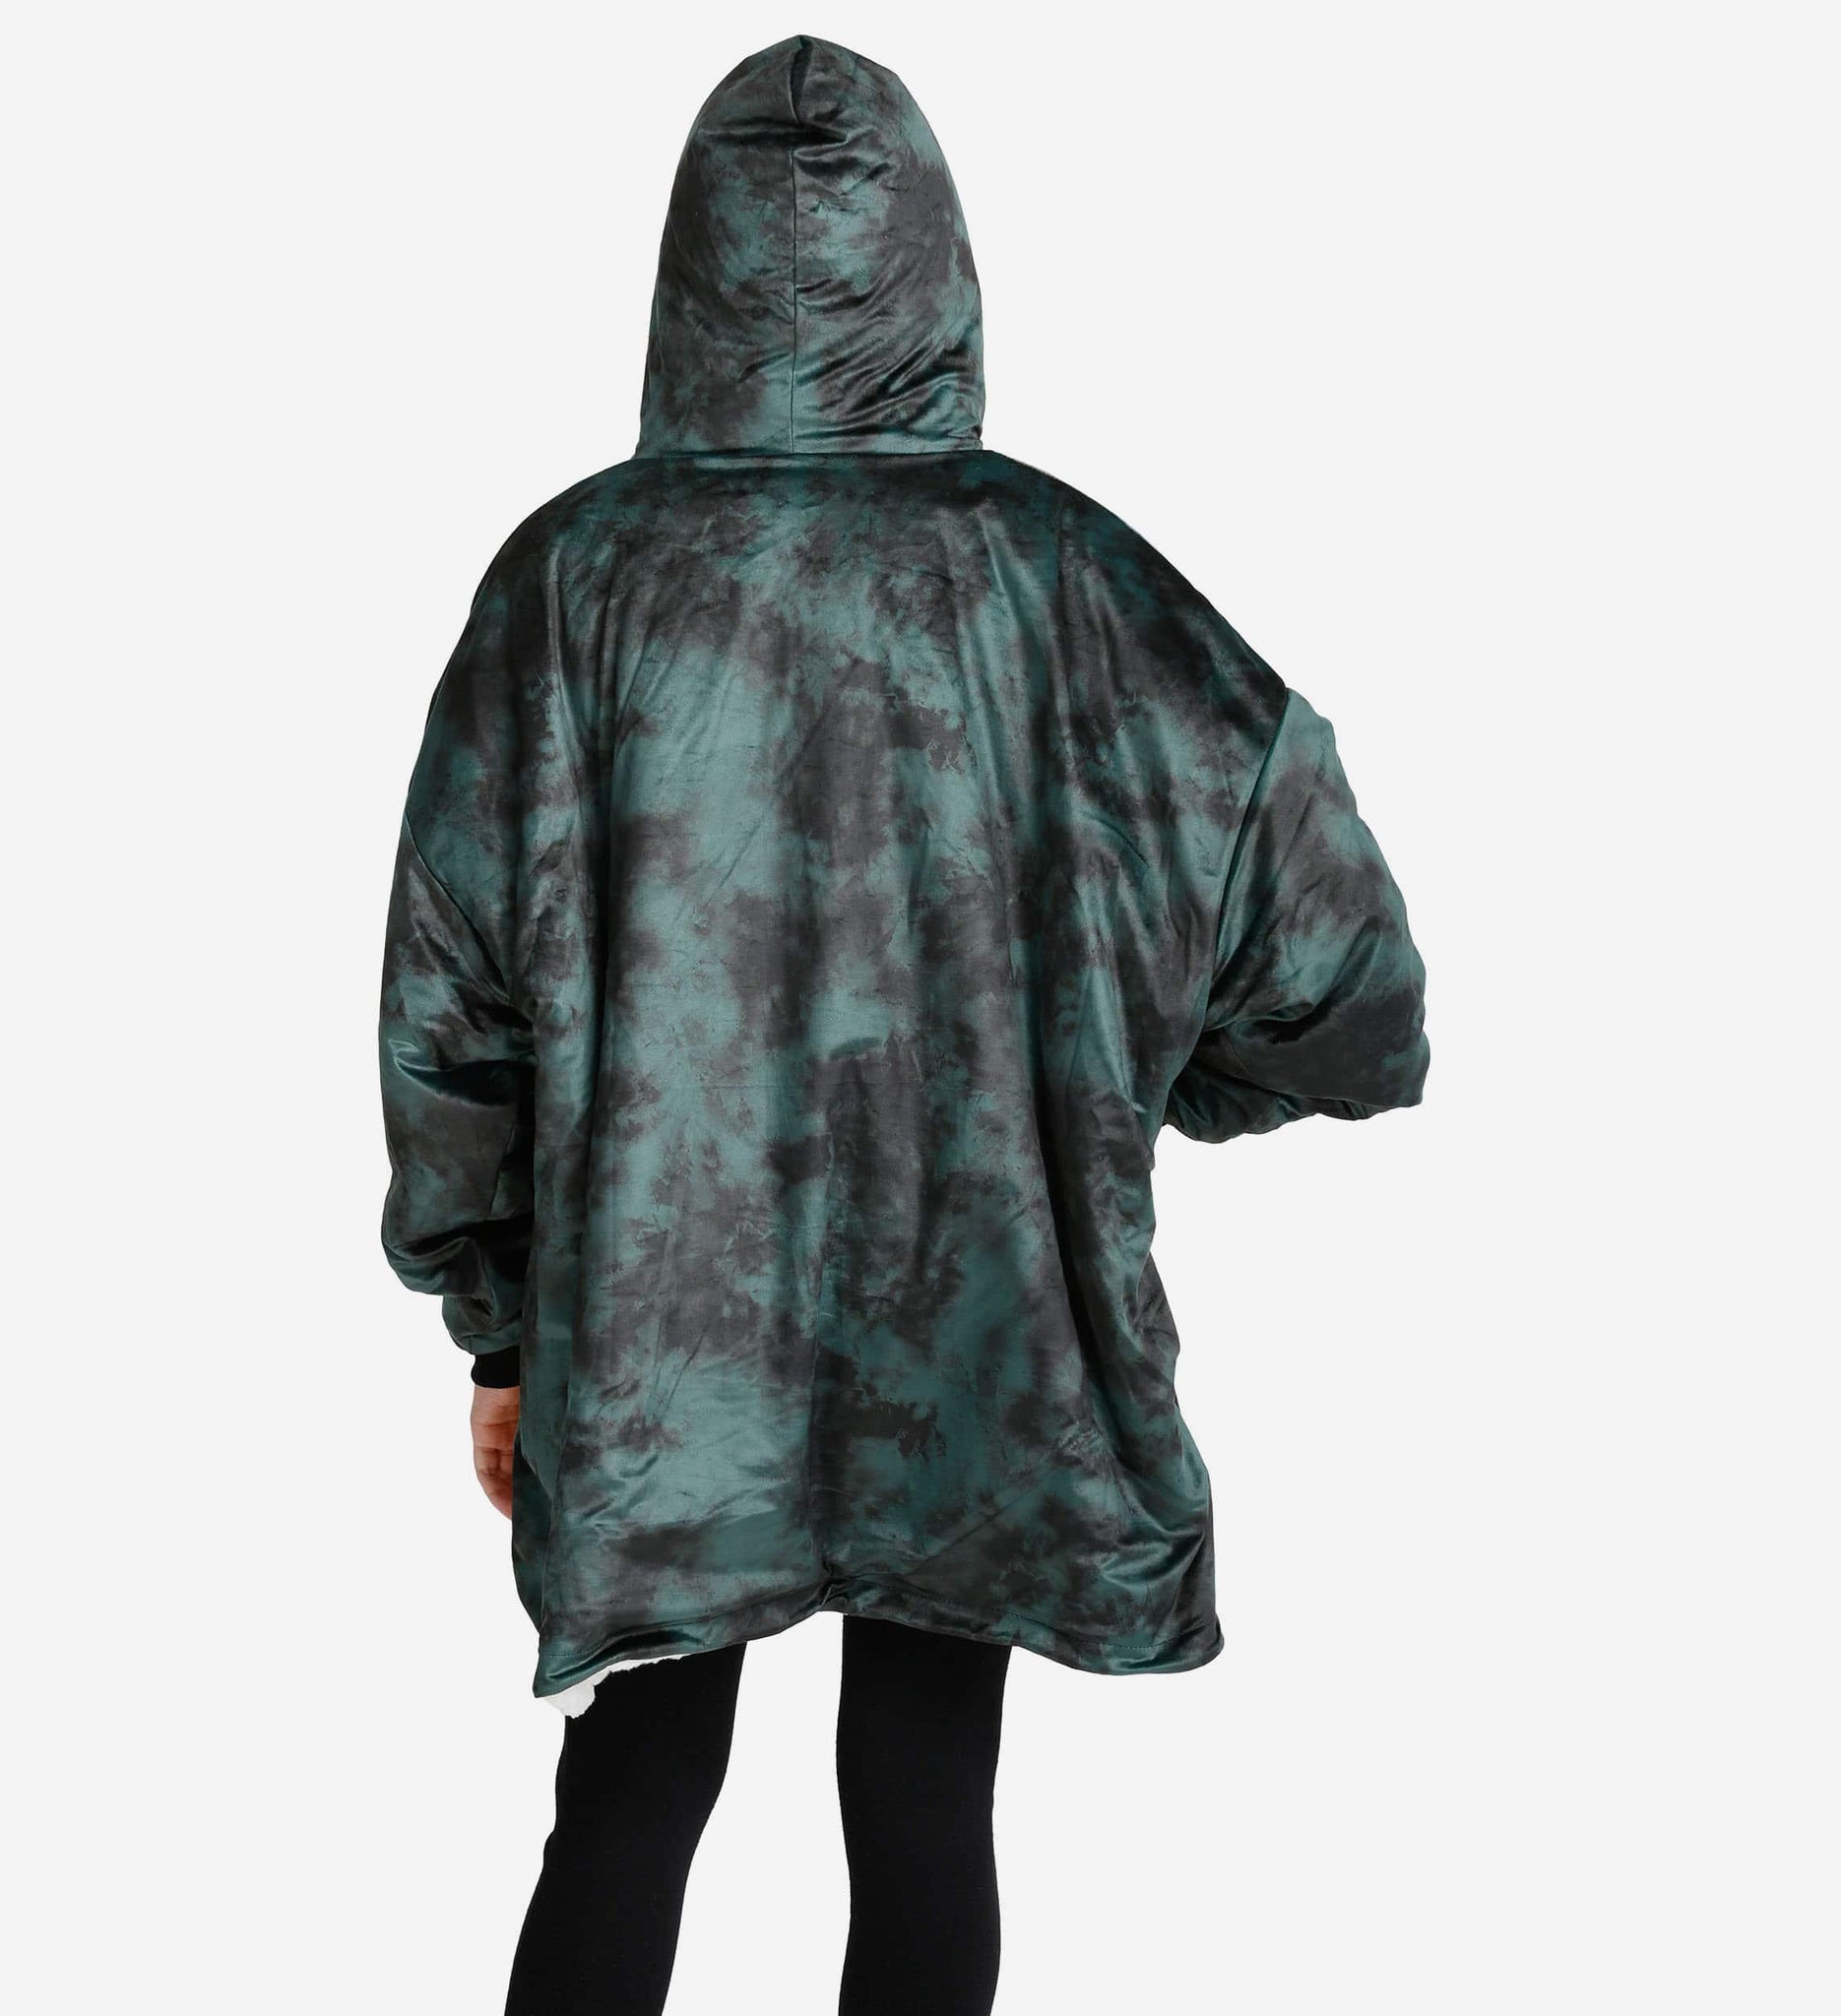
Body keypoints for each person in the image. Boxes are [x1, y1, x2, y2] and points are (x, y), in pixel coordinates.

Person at [379, 34, 1428, 2016]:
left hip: (655, 1353)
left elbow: (453, 1010)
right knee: (930, 1794)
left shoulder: (567, 583)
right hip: (979, 1333)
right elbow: (1342, 976)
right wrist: (1136, 1078)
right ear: (940, 264)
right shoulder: (1073, 579)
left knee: (629, 1797)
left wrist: (505, 1329)